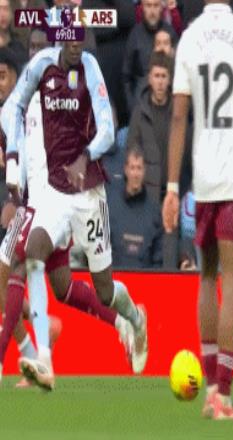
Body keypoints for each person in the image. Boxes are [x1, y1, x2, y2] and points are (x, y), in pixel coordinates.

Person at [0, 41, 148, 389]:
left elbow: (105, 130)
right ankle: (42, 355)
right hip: (42, 204)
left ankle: (127, 318)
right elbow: (14, 143)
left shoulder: (73, 88)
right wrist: (13, 185)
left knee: (16, 267)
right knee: (58, 283)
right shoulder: (20, 105)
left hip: (70, 198)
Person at [162, 0, 233, 421]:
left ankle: (208, 392)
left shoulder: (189, 38)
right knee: (232, 285)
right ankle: (224, 394)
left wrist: (172, 187)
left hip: (202, 179)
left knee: (205, 278)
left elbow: (178, 117)